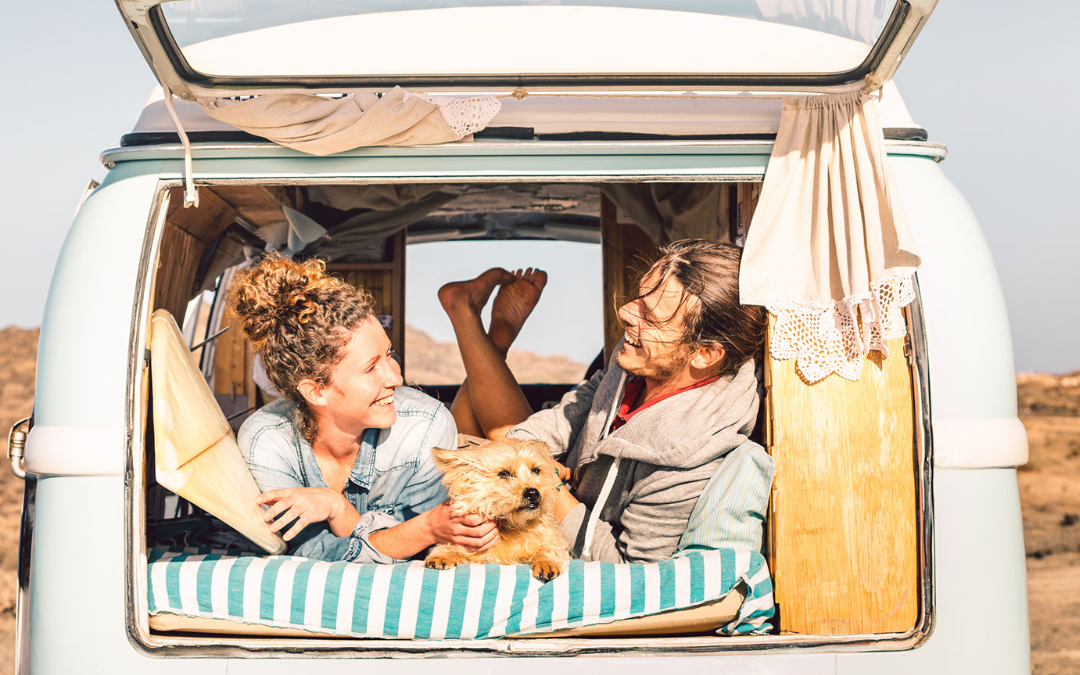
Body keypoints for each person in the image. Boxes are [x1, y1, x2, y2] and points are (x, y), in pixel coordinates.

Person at [438, 239, 767, 563]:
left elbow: (628, 567)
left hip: (567, 533)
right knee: (485, 454)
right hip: (562, 486)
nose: (625, 312)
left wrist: (546, 488)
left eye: (651, 316)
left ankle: (472, 319)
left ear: (705, 353)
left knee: (467, 458)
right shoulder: (644, 356)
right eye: (638, 296)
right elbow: (584, 401)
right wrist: (525, 452)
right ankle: (482, 327)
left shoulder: (689, 457)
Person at [230, 253, 500, 563]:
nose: (396, 377)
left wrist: (339, 510)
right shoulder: (268, 441)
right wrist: (423, 528)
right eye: (371, 368)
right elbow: (304, 556)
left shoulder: (426, 426)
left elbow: (423, 556)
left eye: (390, 354)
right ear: (316, 390)